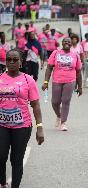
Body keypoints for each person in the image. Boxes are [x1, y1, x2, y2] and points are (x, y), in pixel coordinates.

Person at [0, 49, 44, 188]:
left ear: (20, 62)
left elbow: (35, 105)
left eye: (15, 60)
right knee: (1, 157)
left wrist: (40, 127)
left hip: (22, 126)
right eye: (9, 60)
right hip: (2, 125)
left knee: (16, 160)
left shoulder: (28, 80)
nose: (11, 62)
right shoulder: (0, 78)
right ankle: (2, 183)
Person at [42, 37, 82, 131]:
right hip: (57, 80)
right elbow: (49, 68)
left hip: (70, 81)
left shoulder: (75, 55)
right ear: (62, 43)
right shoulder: (56, 53)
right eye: (65, 41)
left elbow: (79, 71)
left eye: (69, 41)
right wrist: (45, 82)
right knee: (55, 102)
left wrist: (80, 87)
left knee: (66, 101)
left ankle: (63, 122)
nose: (67, 43)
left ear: (71, 44)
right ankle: (59, 115)